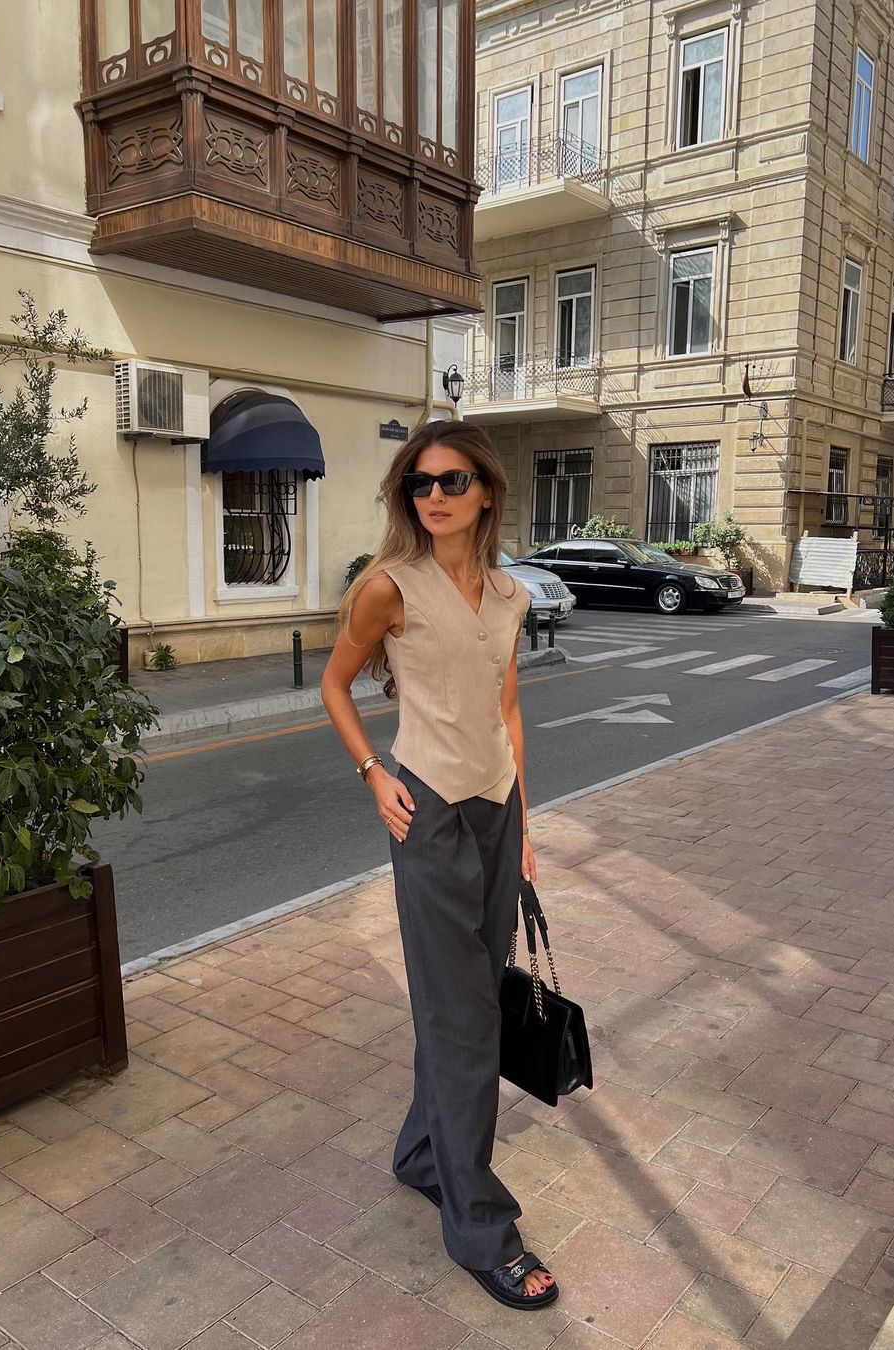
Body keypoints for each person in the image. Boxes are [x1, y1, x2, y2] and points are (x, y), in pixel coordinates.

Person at [320, 419, 558, 1311]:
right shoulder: (389, 587)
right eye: (420, 484)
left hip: (496, 808)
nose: (435, 497)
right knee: (464, 1020)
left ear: (486, 491)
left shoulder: (509, 594)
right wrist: (372, 773)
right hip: (426, 812)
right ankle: (480, 1229)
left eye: (453, 481)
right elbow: (334, 684)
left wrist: (524, 818)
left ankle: (424, 1155)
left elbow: (507, 707)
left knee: (469, 999)